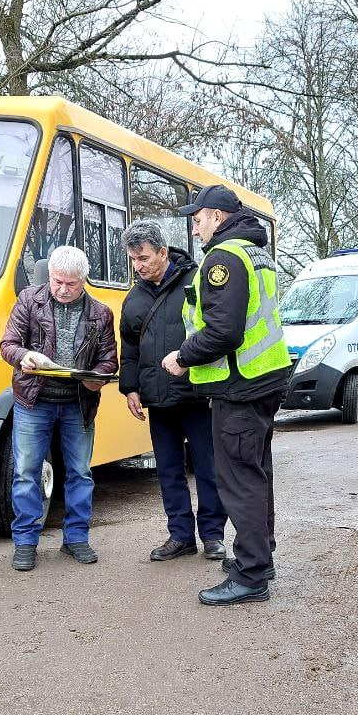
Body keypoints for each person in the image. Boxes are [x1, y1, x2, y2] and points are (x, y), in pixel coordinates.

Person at [161, 185, 291, 606]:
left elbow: (224, 331)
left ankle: (251, 574)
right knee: (256, 475)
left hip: (240, 387)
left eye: (197, 220)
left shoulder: (225, 257)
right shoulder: (256, 253)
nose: (194, 229)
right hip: (263, 380)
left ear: (216, 217)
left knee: (239, 481)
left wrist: (182, 357)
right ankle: (261, 558)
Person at [0, 245, 117, 572]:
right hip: (33, 400)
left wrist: (98, 379)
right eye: (57, 282)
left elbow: (109, 359)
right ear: (49, 276)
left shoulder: (100, 313)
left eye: (71, 284)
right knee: (26, 472)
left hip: (77, 403)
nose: (63, 290)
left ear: (84, 281)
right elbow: (8, 344)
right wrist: (24, 357)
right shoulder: (28, 300)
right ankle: (25, 541)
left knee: (80, 472)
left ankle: (76, 538)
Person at [118, 219, 227, 563]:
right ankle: (180, 535)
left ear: (163, 252)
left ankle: (212, 535)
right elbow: (130, 347)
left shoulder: (196, 280)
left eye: (144, 258)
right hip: (157, 398)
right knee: (168, 470)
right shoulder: (134, 297)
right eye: (133, 260)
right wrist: (130, 388)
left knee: (208, 468)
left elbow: (213, 330)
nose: (138, 266)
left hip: (196, 394)